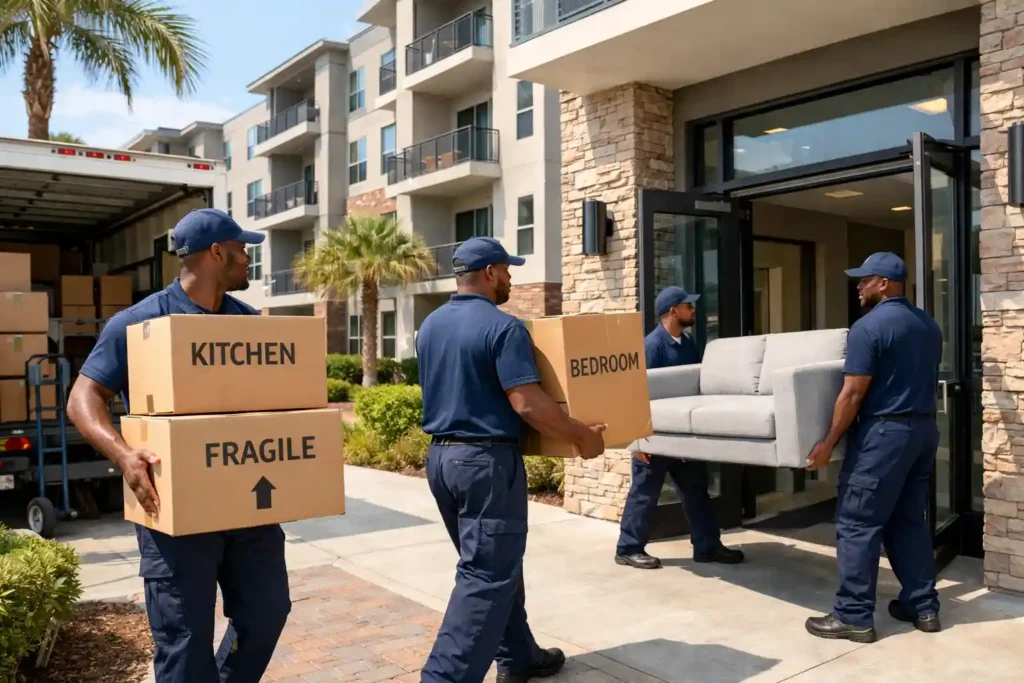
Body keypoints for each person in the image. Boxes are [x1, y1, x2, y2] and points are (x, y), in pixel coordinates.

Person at [67, 209, 291, 683]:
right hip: (173, 509)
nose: (248, 257)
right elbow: (83, 398)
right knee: (185, 641)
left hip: (247, 501)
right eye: (242, 249)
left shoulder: (247, 323)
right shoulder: (140, 322)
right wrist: (124, 454)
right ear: (217, 253)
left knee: (268, 613)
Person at [417, 237, 607, 683]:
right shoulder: (504, 328)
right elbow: (528, 404)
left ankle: (518, 654)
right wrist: (581, 436)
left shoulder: (430, 326)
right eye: (506, 270)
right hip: (485, 463)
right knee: (484, 577)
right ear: (487, 273)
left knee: (496, 565)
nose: (510, 279)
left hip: (441, 461)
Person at [805, 252, 942, 644]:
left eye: (865, 280)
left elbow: (852, 393)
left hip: (885, 435)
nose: (859, 286)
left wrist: (828, 442)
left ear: (884, 284)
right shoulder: (929, 326)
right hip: (924, 431)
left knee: (857, 522)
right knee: (908, 519)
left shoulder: (868, 328)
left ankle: (853, 615)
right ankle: (923, 606)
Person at [614, 286, 745, 569]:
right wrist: (636, 439)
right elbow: (635, 393)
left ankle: (707, 546)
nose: (693, 310)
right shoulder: (653, 345)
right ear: (673, 311)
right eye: (688, 305)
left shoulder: (687, 343)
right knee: (644, 493)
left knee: (697, 491)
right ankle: (628, 548)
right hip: (653, 437)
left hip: (681, 436)